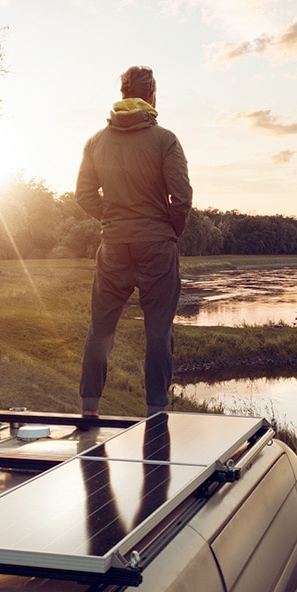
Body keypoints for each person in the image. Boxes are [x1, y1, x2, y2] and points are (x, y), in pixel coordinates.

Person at [76, 66, 192, 418]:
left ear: (123, 95)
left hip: (113, 245)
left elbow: (83, 195)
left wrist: (112, 220)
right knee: (158, 330)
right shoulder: (165, 139)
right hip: (157, 245)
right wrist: (169, 231)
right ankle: (155, 413)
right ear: (152, 96)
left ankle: (89, 410)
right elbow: (182, 197)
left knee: (101, 328)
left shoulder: (96, 141)